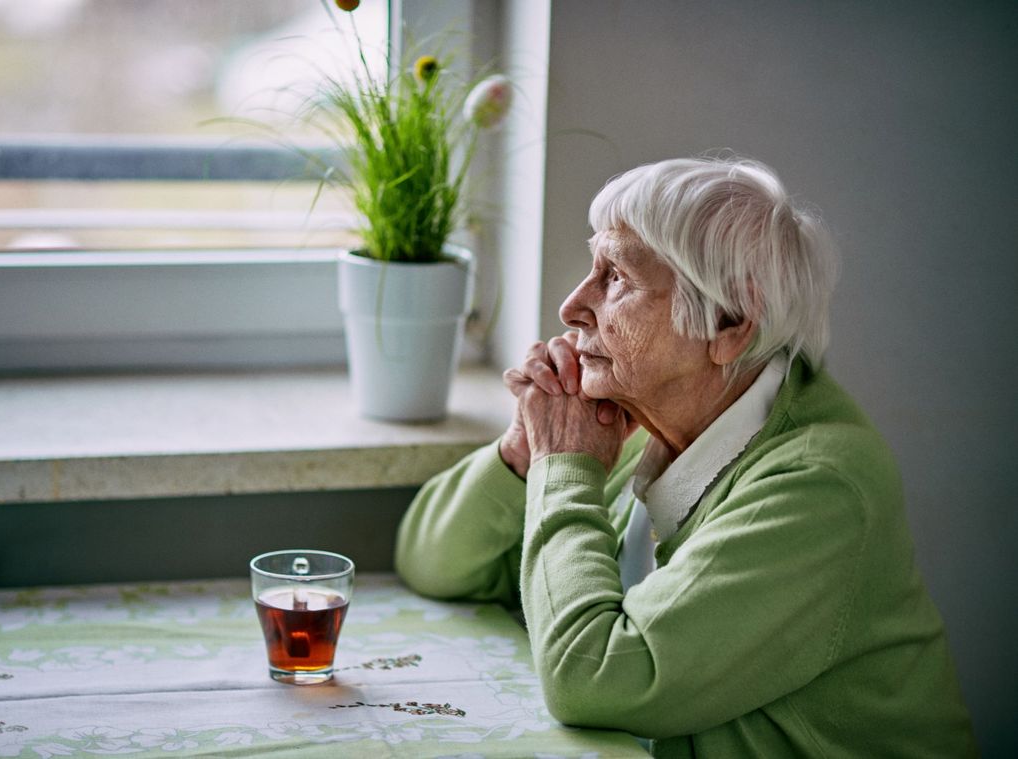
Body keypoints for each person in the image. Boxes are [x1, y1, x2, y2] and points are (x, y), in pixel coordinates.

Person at [395, 157, 976, 757]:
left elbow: (594, 679)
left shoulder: (819, 485)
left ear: (729, 322)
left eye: (616, 277)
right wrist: (524, 452)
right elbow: (430, 561)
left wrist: (563, 468)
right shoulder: (645, 423)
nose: (572, 305)